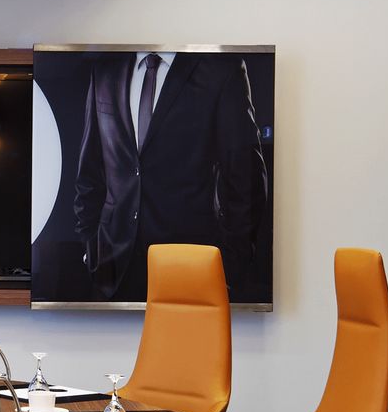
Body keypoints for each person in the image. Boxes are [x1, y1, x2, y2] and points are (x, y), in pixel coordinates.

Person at [71, 49, 267, 300]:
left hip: (189, 265)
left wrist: (232, 265)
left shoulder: (221, 70)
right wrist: (90, 245)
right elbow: (89, 169)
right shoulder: (105, 69)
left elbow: (246, 177)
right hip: (111, 267)